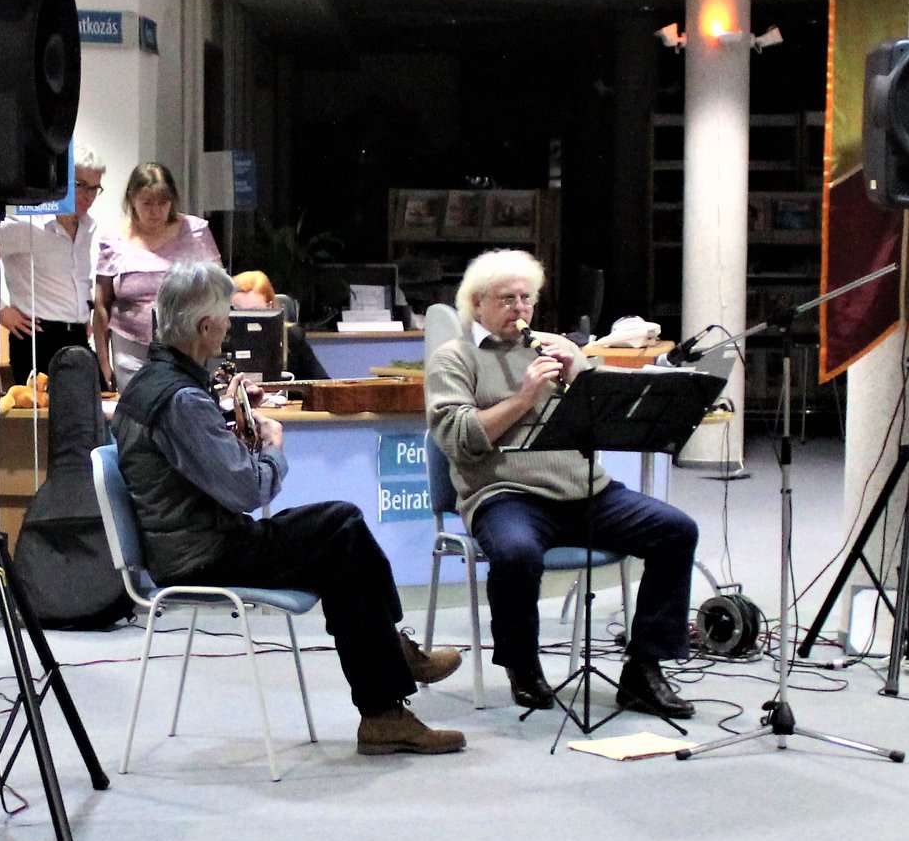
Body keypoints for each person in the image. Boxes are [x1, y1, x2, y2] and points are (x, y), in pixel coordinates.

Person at [113, 260, 467, 756]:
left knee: (341, 542)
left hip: (188, 542)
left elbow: (193, 468)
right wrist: (273, 447)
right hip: (202, 555)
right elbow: (247, 491)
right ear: (205, 327)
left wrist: (230, 422)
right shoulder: (181, 401)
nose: (231, 326)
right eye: (227, 317)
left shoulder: (152, 383)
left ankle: (387, 697)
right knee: (342, 528)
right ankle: (389, 690)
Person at [424, 248, 699, 718]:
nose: (519, 309)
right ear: (477, 303)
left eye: (526, 299)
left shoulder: (552, 348)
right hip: (504, 494)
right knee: (516, 554)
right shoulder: (454, 358)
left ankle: (644, 668)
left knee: (676, 530)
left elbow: (603, 423)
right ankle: (522, 665)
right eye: (507, 299)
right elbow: (458, 439)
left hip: (584, 491)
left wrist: (579, 374)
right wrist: (524, 397)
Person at [0, 146, 106, 379]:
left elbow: (79, 278)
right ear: (62, 182)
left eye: (94, 188)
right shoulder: (28, 225)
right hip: (38, 338)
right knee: (42, 403)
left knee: (98, 401)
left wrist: (85, 312)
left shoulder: (87, 227)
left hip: (77, 337)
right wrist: (0, 310)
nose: (88, 196)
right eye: (80, 185)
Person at [93, 162, 220, 392]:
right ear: (132, 199)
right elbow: (102, 306)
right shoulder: (114, 240)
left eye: (163, 202)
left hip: (187, 349)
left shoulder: (195, 231)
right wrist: (104, 362)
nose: (155, 211)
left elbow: (219, 291)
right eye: (147, 203)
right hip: (130, 348)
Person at [230, 269, 329, 381]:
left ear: (270, 306)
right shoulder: (220, 339)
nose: (248, 319)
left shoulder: (291, 337)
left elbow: (322, 383)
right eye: (239, 311)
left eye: (255, 311)